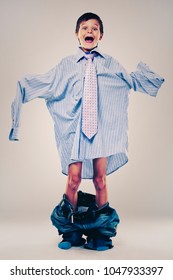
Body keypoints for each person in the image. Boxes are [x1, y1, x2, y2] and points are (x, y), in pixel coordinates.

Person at [9, 12, 164, 251]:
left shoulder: (110, 63)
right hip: (76, 132)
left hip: (99, 132)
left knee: (101, 180)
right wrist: (23, 90)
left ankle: (101, 234)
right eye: (84, 27)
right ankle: (70, 233)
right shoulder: (66, 65)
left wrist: (148, 76)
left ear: (101, 35)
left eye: (94, 28)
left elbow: (129, 81)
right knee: (73, 180)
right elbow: (47, 83)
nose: (89, 31)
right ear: (77, 34)